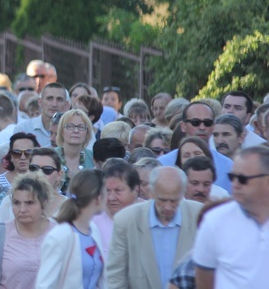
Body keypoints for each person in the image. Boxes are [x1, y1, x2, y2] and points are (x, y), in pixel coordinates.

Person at [107, 166, 202, 289]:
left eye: (174, 201)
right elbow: (116, 276)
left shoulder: (200, 216)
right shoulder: (126, 221)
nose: (167, 207)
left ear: (183, 193)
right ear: (151, 192)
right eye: (162, 200)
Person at [193, 147, 269, 288]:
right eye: (232, 177)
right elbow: (204, 280)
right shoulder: (214, 221)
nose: (234, 185)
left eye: (242, 179)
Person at [0, 173, 56, 289]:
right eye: (17, 203)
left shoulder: (58, 233)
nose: (22, 210)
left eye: (29, 203)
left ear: (43, 203)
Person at [36, 169, 106, 289]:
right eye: (107, 192)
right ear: (99, 198)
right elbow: (44, 285)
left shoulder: (93, 229)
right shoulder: (60, 236)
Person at [158, 101, 233, 192]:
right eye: (195, 122)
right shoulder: (162, 164)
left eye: (207, 122)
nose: (202, 127)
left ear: (213, 126)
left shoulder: (228, 166)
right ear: (183, 126)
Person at [92, 159, 142, 259]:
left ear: (136, 190)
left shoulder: (149, 216)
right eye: (107, 191)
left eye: (118, 191)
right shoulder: (93, 221)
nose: (111, 198)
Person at [14, 82, 70, 147]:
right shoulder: (23, 129)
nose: (54, 104)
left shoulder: (73, 131)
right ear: (40, 102)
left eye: (59, 99)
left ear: (66, 105)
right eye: (49, 98)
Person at [56, 109, 96, 193]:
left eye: (81, 127)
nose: (76, 131)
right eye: (70, 126)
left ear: (87, 132)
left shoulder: (94, 158)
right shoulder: (51, 156)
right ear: (62, 131)